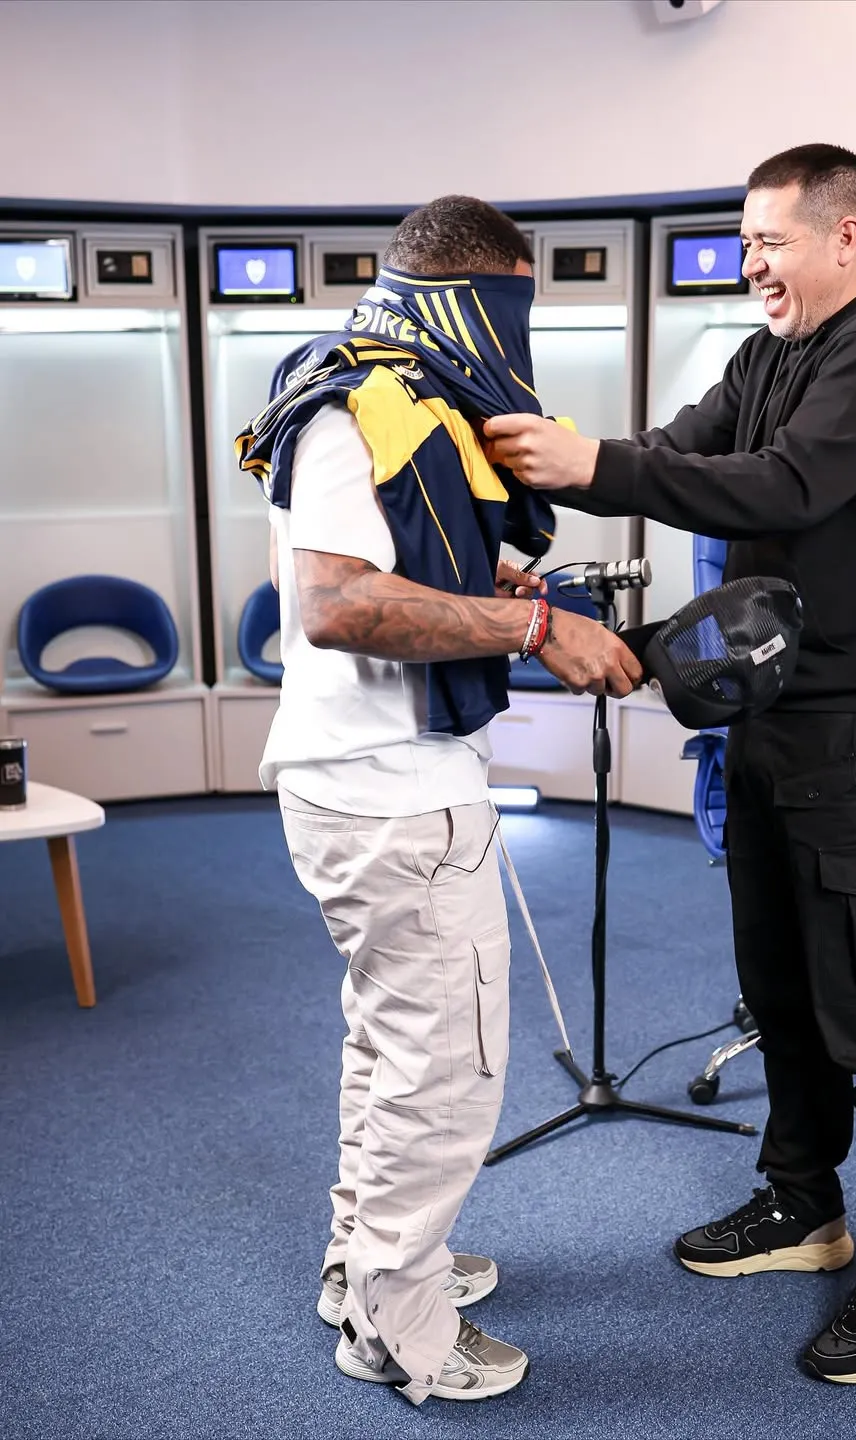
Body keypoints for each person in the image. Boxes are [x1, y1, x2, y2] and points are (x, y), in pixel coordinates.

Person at [484, 144, 856, 1385]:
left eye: (771, 240)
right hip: (769, 717)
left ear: (846, 237)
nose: (749, 261)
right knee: (784, 995)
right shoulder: (765, 356)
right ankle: (802, 1208)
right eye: (743, 241)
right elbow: (680, 455)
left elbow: (787, 484)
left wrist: (589, 462)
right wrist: (534, 501)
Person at [237, 195, 642, 1406]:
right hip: (389, 795)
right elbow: (340, 605)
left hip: (367, 783)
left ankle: (365, 1267)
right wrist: (532, 622)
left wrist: (500, 577)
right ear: (487, 287)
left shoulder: (367, 382)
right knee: (444, 1069)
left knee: (389, 1047)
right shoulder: (363, 402)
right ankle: (396, 1328)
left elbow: (389, 568)